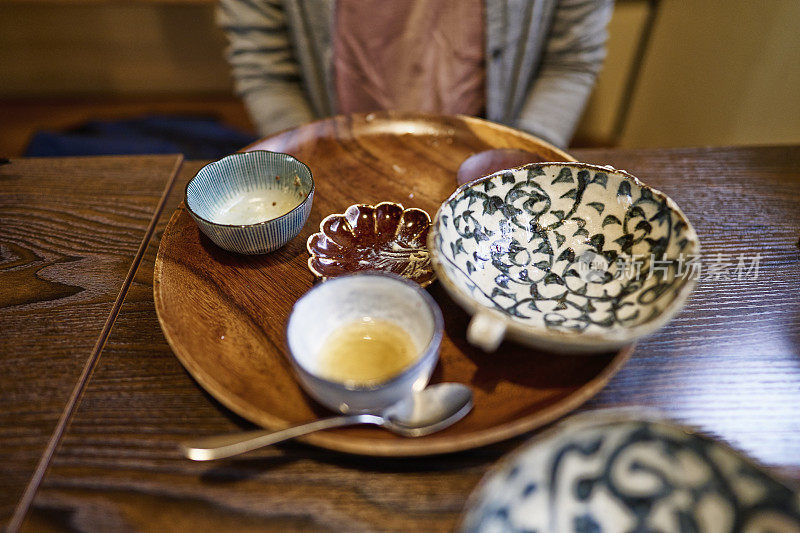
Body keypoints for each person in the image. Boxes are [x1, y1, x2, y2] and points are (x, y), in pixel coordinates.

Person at [217, 0, 612, 149]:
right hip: (335, 150)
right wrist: (312, 159)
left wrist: (521, 155)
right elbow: (266, 66)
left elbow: (571, 60)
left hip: (487, 151)